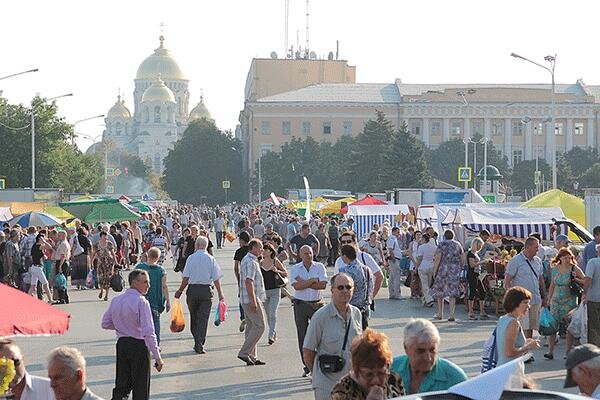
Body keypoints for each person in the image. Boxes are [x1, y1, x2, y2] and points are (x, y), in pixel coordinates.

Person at [101, 269, 163, 400]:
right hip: (139, 345)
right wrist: (157, 356)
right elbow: (148, 331)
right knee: (140, 386)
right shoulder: (142, 301)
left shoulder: (116, 300)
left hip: (122, 344)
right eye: (145, 282)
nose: (148, 285)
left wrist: (121, 325)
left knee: (121, 385)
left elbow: (105, 323)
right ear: (134, 282)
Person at [303, 273, 362, 400]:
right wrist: (317, 375)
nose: (345, 290)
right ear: (332, 291)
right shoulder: (320, 317)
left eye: (348, 287)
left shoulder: (356, 313)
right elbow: (308, 351)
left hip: (352, 383)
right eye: (340, 287)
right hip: (327, 384)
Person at [174, 236, 225, 354]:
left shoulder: (191, 258)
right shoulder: (211, 259)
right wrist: (220, 293)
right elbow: (216, 278)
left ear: (196, 245)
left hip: (192, 291)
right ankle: (200, 342)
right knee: (203, 318)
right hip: (206, 291)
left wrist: (180, 290)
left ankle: (197, 341)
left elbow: (185, 277)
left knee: (194, 316)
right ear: (206, 246)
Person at [390, 318, 467, 394]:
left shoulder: (455, 378)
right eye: (420, 351)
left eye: (432, 350)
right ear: (406, 348)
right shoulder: (390, 369)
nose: (428, 358)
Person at [330, 329, 405, 400]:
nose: (376, 380)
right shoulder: (341, 392)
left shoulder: (394, 380)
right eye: (369, 374)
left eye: (381, 373)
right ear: (356, 372)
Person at [291, 245, 328, 377]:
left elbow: (323, 285)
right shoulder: (295, 268)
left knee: (320, 335)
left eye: (311, 253)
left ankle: (321, 363)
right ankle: (307, 365)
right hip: (301, 305)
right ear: (300, 255)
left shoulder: (319, 267)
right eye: (306, 253)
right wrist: (312, 281)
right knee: (303, 335)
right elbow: (297, 287)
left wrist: (305, 282)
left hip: (317, 304)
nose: (309, 255)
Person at [505, 236, 547, 346]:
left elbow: (540, 279)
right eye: (536, 247)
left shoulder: (538, 261)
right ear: (528, 247)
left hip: (535, 298)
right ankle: (521, 348)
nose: (538, 249)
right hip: (521, 301)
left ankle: (527, 348)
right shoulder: (515, 261)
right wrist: (511, 298)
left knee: (531, 326)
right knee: (523, 326)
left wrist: (544, 296)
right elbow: (507, 280)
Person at [545, 248, 585, 359]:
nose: (568, 259)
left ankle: (567, 352)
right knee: (553, 326)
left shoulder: (574, 268)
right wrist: (549, 299)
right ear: (560, 258)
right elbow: (552, 284)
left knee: (569, 328)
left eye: (569, 257)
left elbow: (585, 280)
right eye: (565, 257)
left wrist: (575, 279)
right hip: (556, 301)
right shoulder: (555, 269)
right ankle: (550, 351)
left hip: (570, 301)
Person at [237, 239, 267, 366]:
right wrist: (253, 300)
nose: (262, 250)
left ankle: (252, 356)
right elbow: (249, 281)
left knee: (251, 327)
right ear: (253, 248)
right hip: (251, 299)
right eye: (260, 247)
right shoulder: (250, 262)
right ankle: (244, 352)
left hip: (247, 298)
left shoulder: (250, 260)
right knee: (260, 326)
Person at [496, 286, 541, 366]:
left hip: (503, 367)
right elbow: (509, 352)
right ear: (514, 303)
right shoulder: (514, 323)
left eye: (529, 303)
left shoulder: (503, 319)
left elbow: (505, 343)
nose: (528, 306)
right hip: (510, 370)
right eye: (525, 302)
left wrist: (526, 343)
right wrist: (528, 347)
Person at [335, 231, 384, 301]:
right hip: (344, 302)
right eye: (343, 242)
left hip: (362, 304)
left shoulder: (365, 257)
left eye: (348, 241)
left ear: (355, 242)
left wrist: (371, 296)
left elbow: (379, 276)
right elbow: (336, 283)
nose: (346, 244)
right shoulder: (339, 260)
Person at [136, 247, 170, 345]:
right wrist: (167, 300)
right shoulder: (161, 270)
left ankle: (142, 344)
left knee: (141, 324)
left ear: (148, 255)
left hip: (141, 300)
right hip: (155, 302)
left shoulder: (140, 267)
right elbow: (164, 286)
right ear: (158, 258)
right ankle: (156, 345)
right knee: (155, 324)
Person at [429, 230, 464, 321]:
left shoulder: (441, 244)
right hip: (454, 271)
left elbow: (438, 258)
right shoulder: (458, 244)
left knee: (440, 292)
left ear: (444, 236)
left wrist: (434, 270)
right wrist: (459, 268)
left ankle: (440, 313)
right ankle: (452, 314)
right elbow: (462, 257)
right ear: (453, 235)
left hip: (443, 270)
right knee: (452, 293)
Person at [338, 244, 374, 329]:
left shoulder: (345, 271)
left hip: (351, 309)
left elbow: (343, 291)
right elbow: (370, 288)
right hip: (364, 308)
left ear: (345, 256)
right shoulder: (367, 269)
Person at [260, 242, 288, 345]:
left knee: (272, 313)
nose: (264, 251)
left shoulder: (275, 261)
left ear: (271, 251)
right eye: (263, 249)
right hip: (264, 292)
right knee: (268, 315)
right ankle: (273, 332)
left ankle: (270, 335)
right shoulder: (260, 263)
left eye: (266, 250)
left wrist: (277, 271)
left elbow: (285, 273)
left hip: (275, 291)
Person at [466, 238, 490, 320]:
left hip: (476, 274)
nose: (480, 248)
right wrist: (482, 262)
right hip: (472, 275)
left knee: (482, 292)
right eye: (479, 246)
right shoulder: (470, 254)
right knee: (472, 292)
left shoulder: (475, 253)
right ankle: (470, 312)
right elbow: (472, 265)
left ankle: (482, 311)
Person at [28, 233, 54, 303]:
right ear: (40, 239)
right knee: (45, 284)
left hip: (34, 267)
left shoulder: (36, 246)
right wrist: (44, 241)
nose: (45, 239)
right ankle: (50, 299)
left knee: (33, 285)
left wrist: (43, 255)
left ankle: (27, 300)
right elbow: (49, 247)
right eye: (43, 238)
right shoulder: (38, 245)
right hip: (37, 268)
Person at [233, 231, 251, 333]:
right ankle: (250, 317)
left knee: (242, 297)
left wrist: (238, 277)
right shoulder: (252, 250)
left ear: (242, 240)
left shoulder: (239, 251)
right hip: (252, 277)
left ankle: (243, 316)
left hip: (243, 278)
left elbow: (236, 267)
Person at [92, 232, 117, 302]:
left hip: (109, 263)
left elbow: (113, 253)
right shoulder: (97, 245)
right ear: (101, 237)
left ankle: (106, 295)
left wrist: (116, 262)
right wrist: (92, 261)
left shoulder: (109, 244)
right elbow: (94, 254)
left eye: (106, 236)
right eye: (103, 236)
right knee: (100, 277)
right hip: (100, 263)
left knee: (107, 278)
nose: (105, 238)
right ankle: (101, 290)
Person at [414, 233, 437, 307]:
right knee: (429, 284)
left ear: (424, 239)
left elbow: (419, 258)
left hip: (423, 266)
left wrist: (416, 267)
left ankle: (429, 299)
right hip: (431, 266)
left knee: (424, 285)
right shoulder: (433, 247)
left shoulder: (421, 247)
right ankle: (425, 299)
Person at [584, 243, 600, 347]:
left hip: (594, 298)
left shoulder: (593, 262)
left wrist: (584, 293)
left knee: (593, 325)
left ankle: (594, 350)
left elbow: (588, 280)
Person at [386, 227, 403, 300]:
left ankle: (392, 293)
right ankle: (397, 294)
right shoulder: (392, 239)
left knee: (392, 277)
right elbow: (390, 249)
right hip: (394, 259)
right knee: (396, 277)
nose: (399, 234)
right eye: (398, 232)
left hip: (395, 258)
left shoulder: (393, 239)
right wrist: (393, 259)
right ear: (394, 231)